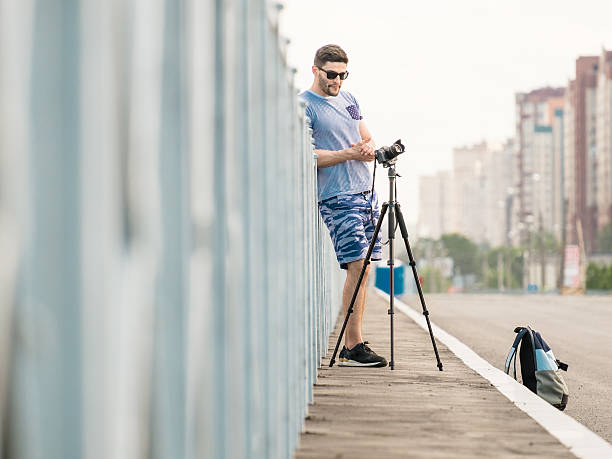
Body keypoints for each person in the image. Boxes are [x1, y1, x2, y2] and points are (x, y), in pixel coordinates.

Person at [300, 44, 387, 368]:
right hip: (337, 196)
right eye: (332, 75)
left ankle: (356, 341)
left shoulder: (349, 99)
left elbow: (366, 136)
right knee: (357, 264)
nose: (337, 81)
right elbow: (308, 156)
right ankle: (353, 345)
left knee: (365, 268)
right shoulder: (304, 107)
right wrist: (348, 154)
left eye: (342, 74)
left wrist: (366, 148)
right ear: (315, 70)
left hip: (365, 191)